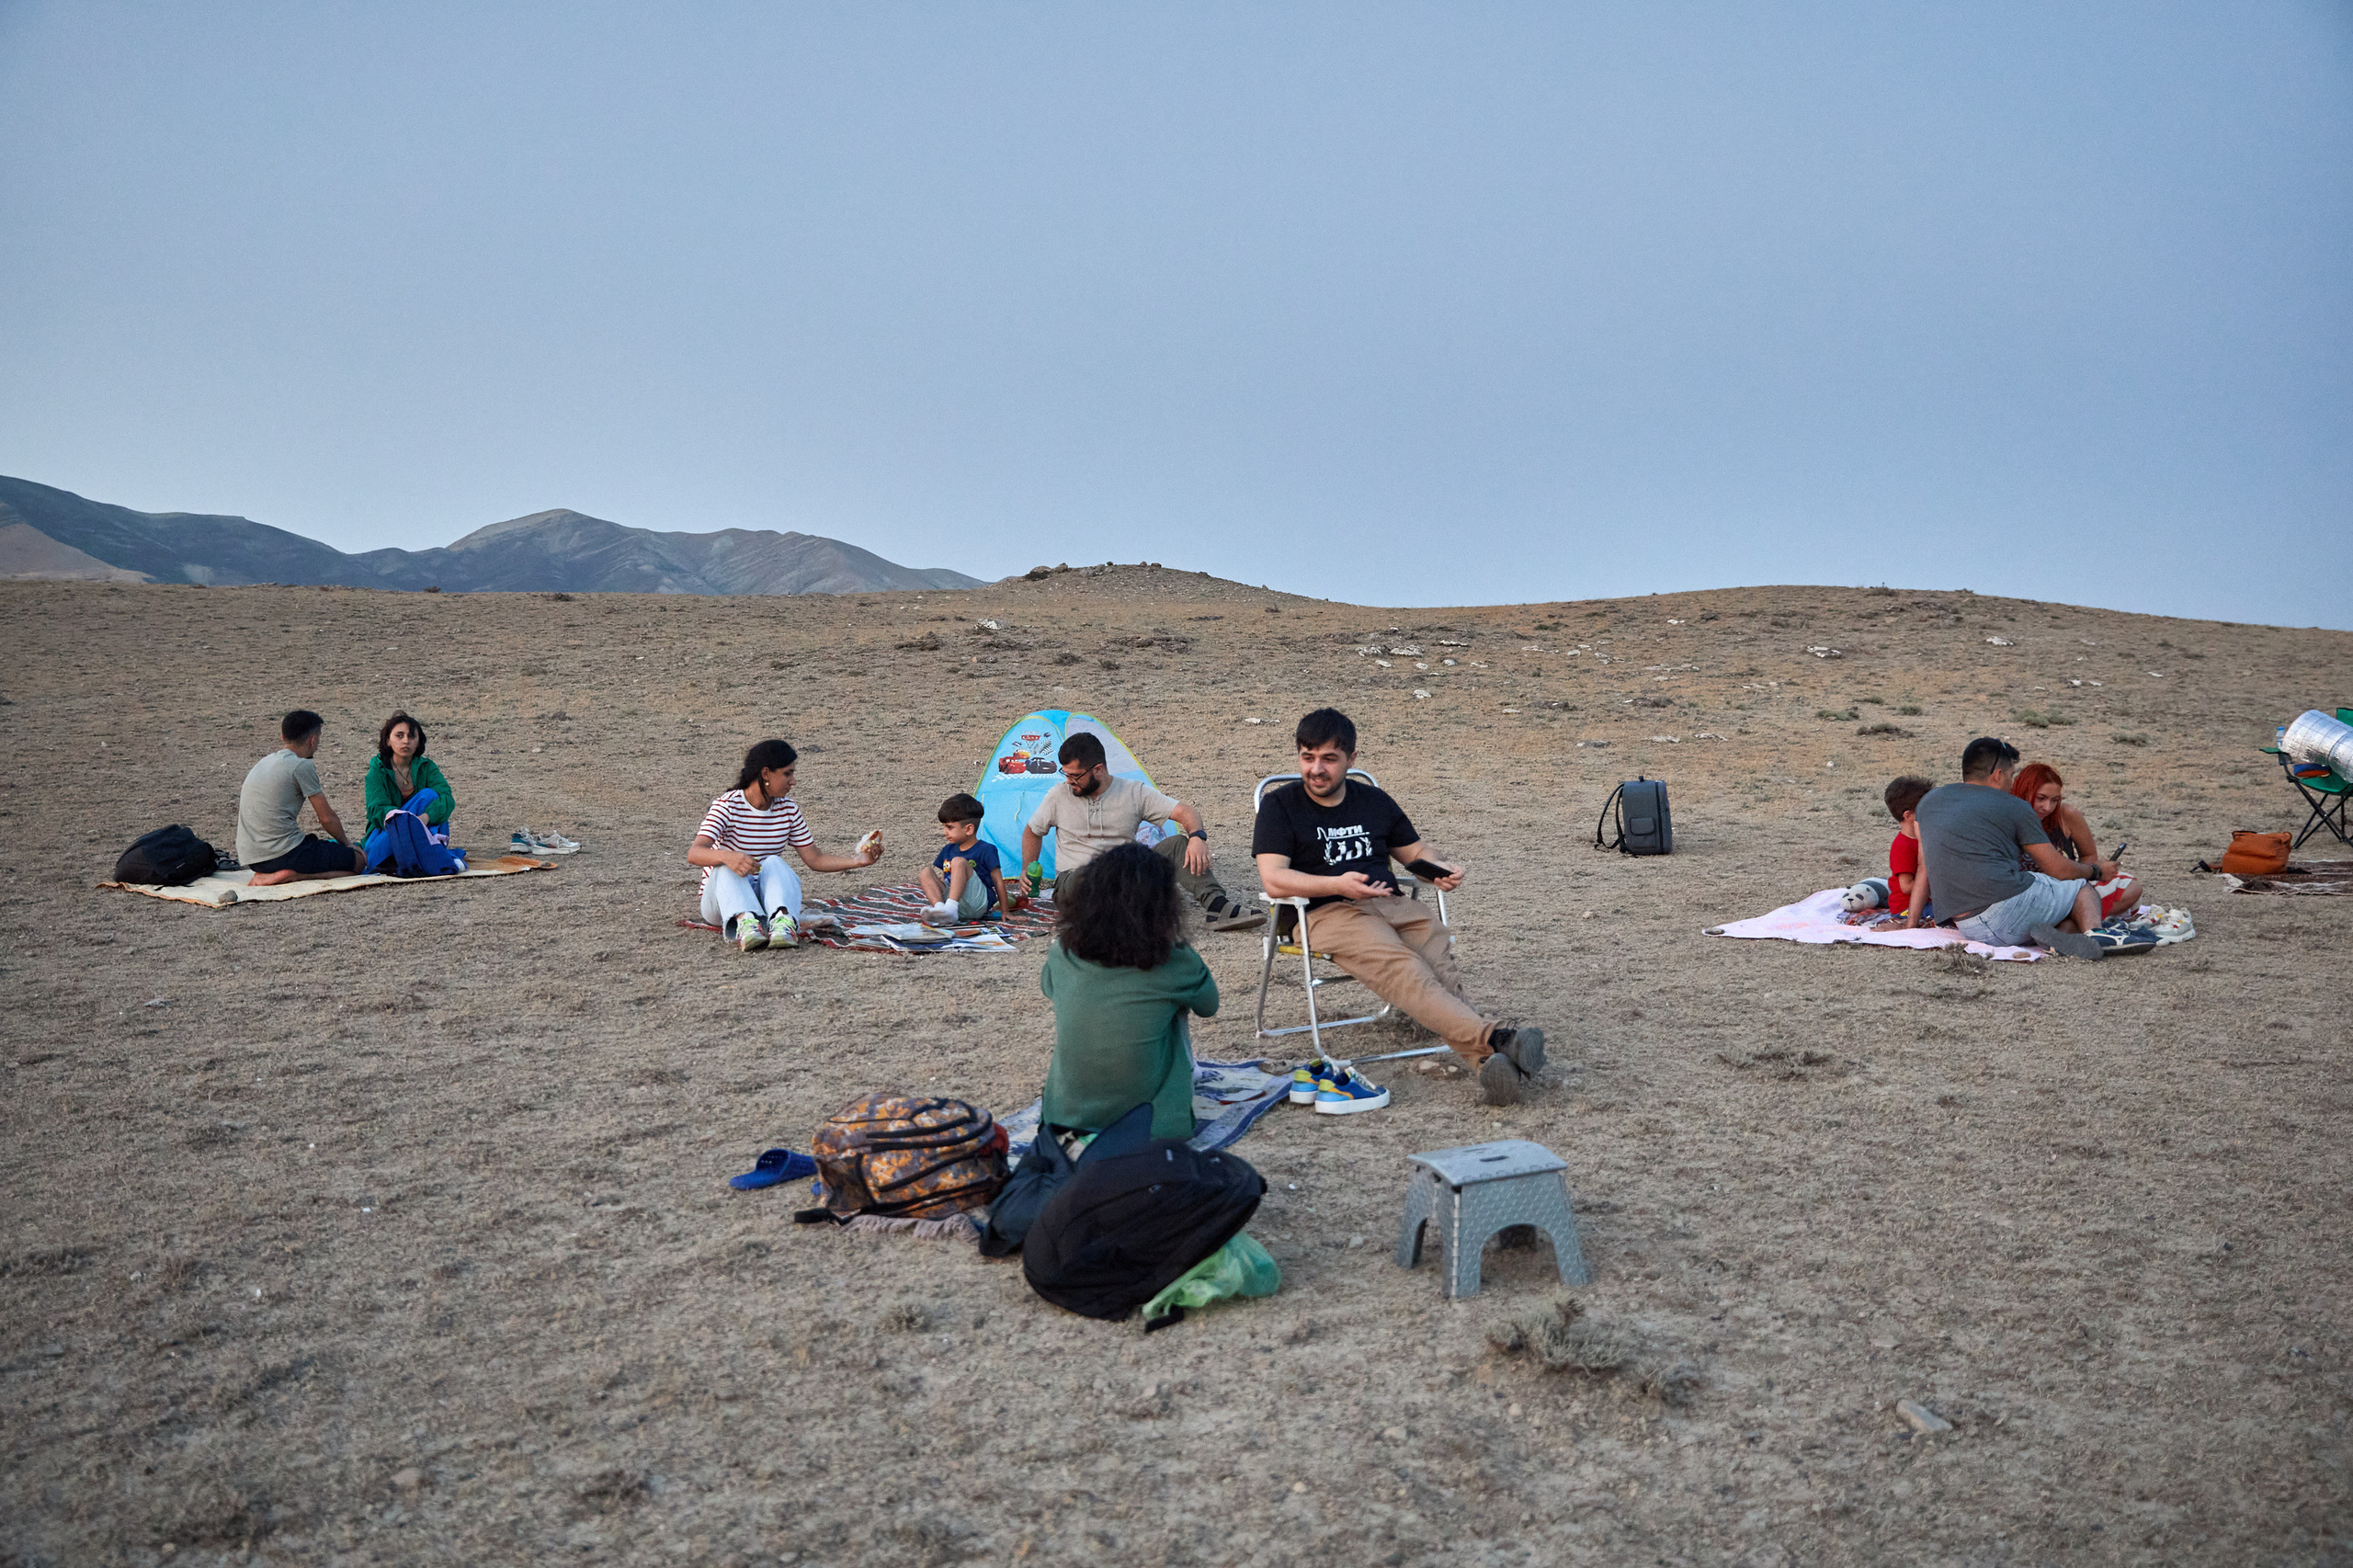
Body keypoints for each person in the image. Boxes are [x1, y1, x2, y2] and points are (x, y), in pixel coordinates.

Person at [1251, 707, 1546, 1108]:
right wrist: (1337, 884)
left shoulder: (1372, 800)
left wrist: (1438, 867)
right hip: (1322, 911)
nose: (1316, 769)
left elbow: (1416, 852)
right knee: (1404, 968)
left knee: (1439, 962)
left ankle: (1487, 1063)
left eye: (1328, 759)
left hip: (1389, 903)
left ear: (1351, 759)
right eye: (1307, 757)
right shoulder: (1279, 805)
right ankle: (1496, 1037)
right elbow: (1274, 878)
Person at [1039, 842, 1219, 1140]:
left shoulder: (1062, 952)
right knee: (1175, 1008)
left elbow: (1050, 988)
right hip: (1151, 1127)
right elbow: (1208, 1005)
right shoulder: (1177, 960)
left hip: (1065, 1116)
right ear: (1163, 904)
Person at [1021, 732, 1265, 932]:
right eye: (1066, 774)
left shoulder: (1132, 792)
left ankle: (1217, 906)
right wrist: (1026, 869)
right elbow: (1033, 831)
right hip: (1077, 880)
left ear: (1098, 769)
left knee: (1179, 844)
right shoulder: (1058, 796)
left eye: (1075, 776)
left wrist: (1197, 838)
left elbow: (1186, 812)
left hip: (1124, 875)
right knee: (1086, 880)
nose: (1069, 781)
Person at [1905, 737, 2119, 957]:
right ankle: (2099, 938)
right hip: (2005, 910)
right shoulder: (2014, 806)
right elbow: (2060, 870)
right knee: (2080, 889)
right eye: (2011, 775)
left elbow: (1924, 867)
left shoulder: (1928, 802)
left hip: (1967, 925)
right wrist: (2096, 871)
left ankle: (2061, 935)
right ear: (1998, 775)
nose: (2012, 783)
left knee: (2059, 910)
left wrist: (1910, 924)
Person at [688, 739, 881, 952]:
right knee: (725, 864)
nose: (793, 781)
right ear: (765, 774)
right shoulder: (727, 805)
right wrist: (728, 857)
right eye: (787, 774)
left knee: (774, 862)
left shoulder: (788, 809)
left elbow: (814, 859)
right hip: (721, 903)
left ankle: (782, 923)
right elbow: (695, 852)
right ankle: (746, 923)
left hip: (762, 901)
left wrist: (857, 861)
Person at [236, 710, 366, 886]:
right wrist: (348, 844)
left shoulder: (265, 762)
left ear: (283, 736)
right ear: (312, 740)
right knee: (358, 861)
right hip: (283, 855)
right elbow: (326, 818)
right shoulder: (301, 765)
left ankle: (272, 873)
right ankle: (294, 876)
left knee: (323, 848)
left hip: (252, 858)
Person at [2010, 762, 2143, 919]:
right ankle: (2081, 918)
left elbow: (2089, 855)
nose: (2047, 807)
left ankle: (2075, 916)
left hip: (2068, 886)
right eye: (2041, 798)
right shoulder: (2007, 817)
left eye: (2054, 800)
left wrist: (2088, 871)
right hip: (2023, 893)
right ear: (2024, 792)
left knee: (2130, 888)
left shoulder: (2066, 815)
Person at [1842, 776, 1936, 918]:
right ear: (1909, 815)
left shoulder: (1924, 838)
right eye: (1927, 809)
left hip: (1926, 902)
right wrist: (1937, 883)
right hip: (1907, 908)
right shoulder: (1903, 846)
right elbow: (1906, 886)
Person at [920, 792, 1012, 923]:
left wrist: (1005, 911)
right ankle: (941, 910)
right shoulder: (948, 849)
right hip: (956, 902)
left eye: (950, 827)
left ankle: (950, 909)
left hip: (976, 904)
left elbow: (998, 882)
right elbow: (944, 879)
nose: (945, 832)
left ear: (969, 829)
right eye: (944, 827)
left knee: (958, 862)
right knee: (926, 872)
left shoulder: (986, 849)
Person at [363, 710, 455, 836]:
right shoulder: (378, 770)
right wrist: (406, 821)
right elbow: (375, 809)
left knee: (429, 796)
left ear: (418, 742)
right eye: (399, 736)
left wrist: (425, 818)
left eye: (411, 736)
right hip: (387, 831)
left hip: (422, 828)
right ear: (388, 741)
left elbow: (447, 799)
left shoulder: (427, 767)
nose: (406, 741)